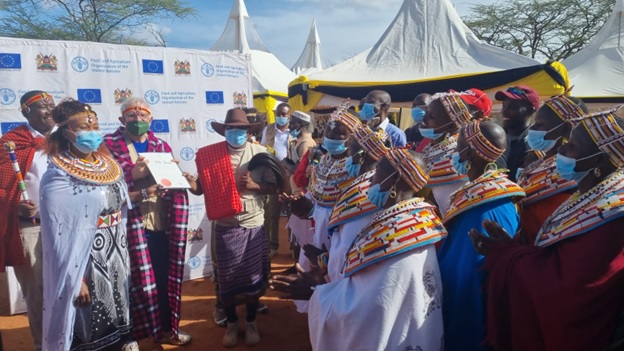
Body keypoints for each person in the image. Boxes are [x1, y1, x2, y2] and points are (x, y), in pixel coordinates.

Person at [468, 108, 624, 351]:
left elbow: (569, 289)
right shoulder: (590, 195)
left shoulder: (612, 217)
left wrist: (507, 256)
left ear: (599, 161)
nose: (561, 149)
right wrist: (511, 248)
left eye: (572, 145)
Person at [271, 148, 445, 351]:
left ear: (393, 179)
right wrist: (327, 264)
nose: (370, 180)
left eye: (377, 171)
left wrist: (317, 294)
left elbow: (371, 307)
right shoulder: (410, 221)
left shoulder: (399, 240)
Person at [40, 98, 142, 351]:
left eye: (95, 125)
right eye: (86, 127)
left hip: (116, 254)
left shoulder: (107, 164)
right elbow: (57, 234)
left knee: (118, 321)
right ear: (67, 132)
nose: (94, 132)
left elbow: (118, 204)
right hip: (86, 261)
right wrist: (77, 280)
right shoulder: (58, 174)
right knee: (91, 328)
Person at [103, 97, 191, 346]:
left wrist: (176, 178)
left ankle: (165, 330)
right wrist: (133, 174)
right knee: (129, 285)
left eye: (143, 116)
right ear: (122, 119)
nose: (138, 120)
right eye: (132, 115)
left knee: (162, 281)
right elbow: (104, 188)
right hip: (127, 228)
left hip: (160, 224)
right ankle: (131, 337)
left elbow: (171, 183)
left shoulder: (160, 145)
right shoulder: (108, 145)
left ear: (151, 119)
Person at [185, 108, 274, 348]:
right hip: (225, 225)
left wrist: (256, 185)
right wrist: (188, 181)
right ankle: (233, 322)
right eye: (232, 129)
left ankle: (252, 320)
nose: (236, 133)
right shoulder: (210, 156)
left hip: (253, 223)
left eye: (241, 129)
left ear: (248, 131)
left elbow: (273, 187)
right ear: (225, 131)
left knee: (254, 277)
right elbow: (199, 189)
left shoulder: (261, 153)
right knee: (227, 279)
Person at [437, 120, 525, 351]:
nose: (455, 152)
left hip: (469, 310)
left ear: (467, 153)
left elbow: (470, 273)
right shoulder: (483, 193)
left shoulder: (488, 205)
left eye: (458, 146)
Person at [0, 91, 55, 351]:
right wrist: (15, 206)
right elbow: (1, 188)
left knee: (72, 288)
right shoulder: (12, 144)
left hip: (65, 227)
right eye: (44, 107)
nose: (50, 111)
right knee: (39, 295)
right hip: (33, 228)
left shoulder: (66, 140)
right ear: (25, 112)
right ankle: (44, 345)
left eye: (53, 105)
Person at [516, 94, 586, 243]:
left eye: (540, 124)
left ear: (566, 128)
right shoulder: (538, 160)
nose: (532, 129)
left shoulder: (570, 168)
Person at [324, 125, 390, 281]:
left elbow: (347, 245)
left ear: (360, 157)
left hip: (350, 274)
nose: (347, 154)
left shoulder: (369, 191)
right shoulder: (367, 183)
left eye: (350, 150)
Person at [419, 89, 490, 215]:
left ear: (451, 126)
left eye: (431, 116)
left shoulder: (458, 154)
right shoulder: (430, 148)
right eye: (426, 112)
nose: (424, 117)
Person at [261, 102, 291, 257]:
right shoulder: (268, 129)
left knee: (293, 213)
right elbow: (262, 148)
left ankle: (293, 247)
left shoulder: (295, 131)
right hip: (272, 175)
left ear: (289, 115)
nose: (281, 117)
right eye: (278, 114)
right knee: (273, 213)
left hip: (290, 177)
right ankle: (273, 246)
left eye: (284, 114)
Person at [495, 85, 540, 182]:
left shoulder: (534, 142)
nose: (504, 111)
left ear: (530, 110)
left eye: (513, 107)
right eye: (504, 105)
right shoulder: (496, 137)